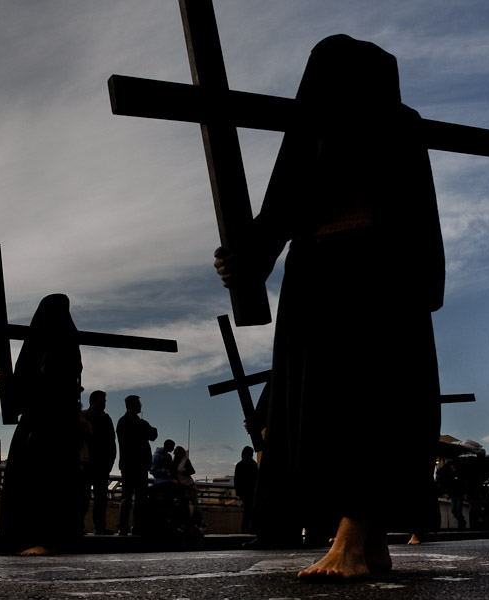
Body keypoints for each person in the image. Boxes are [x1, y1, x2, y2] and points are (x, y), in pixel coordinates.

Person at [214, 34, 444, 579]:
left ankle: (351, 543)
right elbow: (288, 196)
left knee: (362, 403)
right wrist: (249, 258)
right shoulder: (334, 124)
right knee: (329, 407)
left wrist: (254, 253)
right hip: (321, 273)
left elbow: (404, 207)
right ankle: (370, 541)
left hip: (371, 273)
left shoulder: (391, 122)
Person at [0, 294, 85, 556]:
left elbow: (45, 388)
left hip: (44, 426)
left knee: (39, 482)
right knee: (51, 483)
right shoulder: (68, 344)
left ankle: (39, 538)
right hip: (57, 426)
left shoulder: (55, 348)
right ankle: (46, 538)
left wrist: (11, 383)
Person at [116, 394, 157, 536]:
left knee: (139, 498)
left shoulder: (134, 422)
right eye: (138, 403)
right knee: (128, 497)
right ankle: (124, 527)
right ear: (131, 405)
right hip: (130, 465)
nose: (141, 406)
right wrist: (144, 432)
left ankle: (136, 526)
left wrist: (143, 432)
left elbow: (153, 434)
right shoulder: (125, 422)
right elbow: (148, 434)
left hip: (139, 466)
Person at [82, 390, 116, 535]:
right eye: (102, 401)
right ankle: (79, 526)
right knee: (82, 497)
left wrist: (110, 462)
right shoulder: (84, 417)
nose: (104, 404)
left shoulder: (106, 419)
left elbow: (111, 443)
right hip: (87, 462)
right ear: (94, 401)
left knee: (101, 499)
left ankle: (100, 527)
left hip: (102, 465)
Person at [234, 446, 258, 534]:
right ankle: (252, 529)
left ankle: (245, 529)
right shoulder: (254, 465)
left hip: (244, 493)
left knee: (247, 512)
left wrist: (239, 492)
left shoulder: (239, 465)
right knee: (252, 512)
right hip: (252, 492)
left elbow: (237, 480)